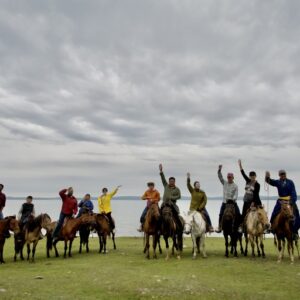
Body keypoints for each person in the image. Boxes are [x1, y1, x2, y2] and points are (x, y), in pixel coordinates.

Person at [265, 170, 300, 237]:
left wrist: (291, 201)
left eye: (284, 174)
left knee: (296, 213)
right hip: (280, 201)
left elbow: (293, 192)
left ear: (285, 174)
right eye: (281, 174)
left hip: (290, 200)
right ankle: (272, 228)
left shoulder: (290, 182)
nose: (283, 175)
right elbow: (271, 182)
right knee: (274, 212)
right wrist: (267, 177)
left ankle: (295, 232)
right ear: (279, 175)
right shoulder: (278, 182)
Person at [215, 165, 241, 233]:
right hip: (225, 202)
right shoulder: (225, 183)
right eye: (228, 177)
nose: (229, 178)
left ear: (233, 178)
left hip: (232, 203)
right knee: (220, 214)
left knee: (238, 213)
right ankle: (220, 226)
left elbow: (236, 194)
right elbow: (220, 177)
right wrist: (219, 170)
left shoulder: (235, 186)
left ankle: (239, 227)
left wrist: (233, 199)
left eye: (230, 177)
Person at [238, 159, 262, 224]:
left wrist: (253, 202)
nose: (252, 177)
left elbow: (256, 194)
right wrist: (240, 165)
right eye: (251, 176)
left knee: (261, 214)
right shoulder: (248, 181)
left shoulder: (257, 184)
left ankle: (264, 226)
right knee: (243, 215)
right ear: (249, 177)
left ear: (255, 176)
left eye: (253, 176)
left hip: (254, 201)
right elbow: (243, 174)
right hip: (246, 201)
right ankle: (242, 227)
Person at [159, 163, 182, 230]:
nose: (171, 182)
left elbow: (179, 196)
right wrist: (161, 171)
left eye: (173, 181)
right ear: (169, 181)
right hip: (164, 203)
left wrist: (172, 198)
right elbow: (163, 179)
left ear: (174, 182)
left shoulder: (177, 189)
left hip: (172, 204)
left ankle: (180, 227)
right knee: (159, 215)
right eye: (170, 181)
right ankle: (158, 229)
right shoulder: (166, 186)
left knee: (176, 215)